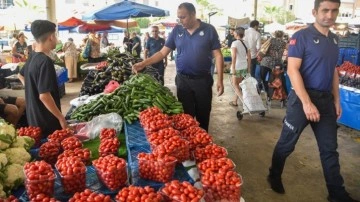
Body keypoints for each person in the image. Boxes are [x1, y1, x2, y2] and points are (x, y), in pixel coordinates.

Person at [268, 1, 359, 202]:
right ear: (315, 12)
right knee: (286, 144)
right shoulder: (301, 37)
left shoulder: (335, 40)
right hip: (301, 99)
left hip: (325, 101)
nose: (330, 14)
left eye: (334, 10)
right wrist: (307, 103)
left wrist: (337, 100)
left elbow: (334, 71)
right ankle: (274, 175)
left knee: (329, 149)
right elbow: (292, 70)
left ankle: (337, 193)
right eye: (325, 10)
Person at [132, 2, 224, 131]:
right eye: (179, 17)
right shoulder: (177, 30)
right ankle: (190, 145)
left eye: (183, 17)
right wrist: (143, 63)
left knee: (203, 115)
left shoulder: (209, 30)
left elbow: (218, 55)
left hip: (202, 81)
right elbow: (162, 52)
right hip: (183, 81)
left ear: (193, 14)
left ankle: (203, 145)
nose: (180, 21)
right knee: (186, 117)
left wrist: (220, 79)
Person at [18, 19, 67, 137]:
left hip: (34, 118)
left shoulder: (32, 56)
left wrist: (32, 89)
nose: (56, 38)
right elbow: (44, 96)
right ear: (51, 37)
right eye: (55, 35)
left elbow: (20, 75)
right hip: (46, 120)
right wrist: (61, 118)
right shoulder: (45, 61)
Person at [259, 30, 286, 99]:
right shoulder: (284, 43)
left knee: (262, 78)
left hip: (266, 62)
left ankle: (265, 90)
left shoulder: (271, 40)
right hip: (276, 64)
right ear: (282, 35)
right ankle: (271, 94)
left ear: (275, 34)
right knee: (274, 80)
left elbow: (263, 49)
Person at [229, 28, 251, 107]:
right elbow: (249, 56)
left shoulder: (234, 43)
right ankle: (235, 101)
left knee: (235, 85)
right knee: (239, 84)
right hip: (244, 66)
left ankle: (245, 102)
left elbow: (234, 57)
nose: (233, 34)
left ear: (237, 34)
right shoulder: (246, 43)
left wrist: (233, 68)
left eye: (234, 33)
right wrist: (248, 68)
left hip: (237, 66)